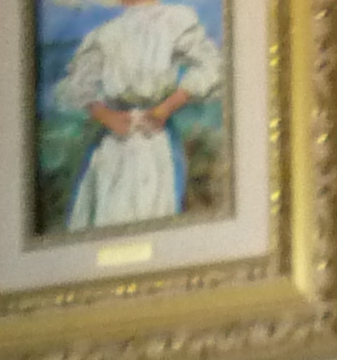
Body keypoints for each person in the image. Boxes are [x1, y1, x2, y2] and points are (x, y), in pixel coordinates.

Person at [55, 1, 224, 233]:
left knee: (153, 211)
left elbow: (212, 66)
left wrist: (166, 107)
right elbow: (77, 87)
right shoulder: (106, 33)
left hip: (154, 137)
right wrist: (107, 116)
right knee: (109, 212)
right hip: (113, 144)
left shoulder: (173, 22)